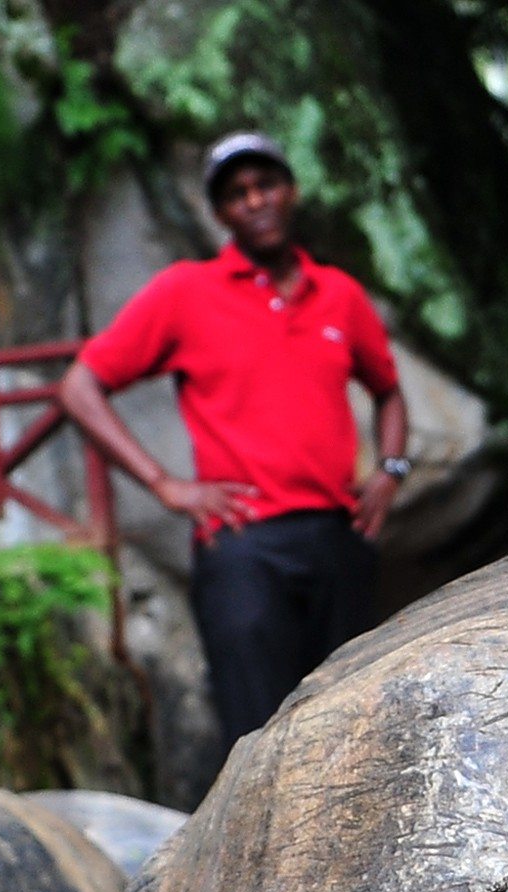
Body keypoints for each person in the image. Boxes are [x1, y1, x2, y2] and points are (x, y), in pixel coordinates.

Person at [57, 132, 412, 770]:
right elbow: (80, 386)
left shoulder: (339, 295)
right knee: (259, 741)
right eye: (236, 193)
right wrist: (165, 484)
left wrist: (389, 470)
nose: (254, 201)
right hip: (244, 548)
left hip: (339, 537)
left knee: (359, 733)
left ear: (290, 191)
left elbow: (389, 392)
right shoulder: (185, 292)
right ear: (220, 213)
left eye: (265, 185)